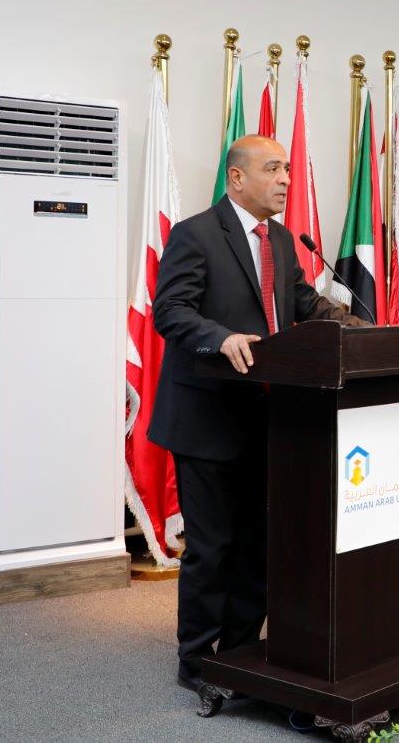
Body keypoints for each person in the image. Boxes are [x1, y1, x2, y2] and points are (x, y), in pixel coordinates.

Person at [149, 135, 366, 714]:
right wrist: (220, 338)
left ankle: (241, 652)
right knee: (212, 547)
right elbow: (170, 310)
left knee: (257, 545)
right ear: (237, 178)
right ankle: (197, 661)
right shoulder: (195, 234)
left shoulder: (282, 240)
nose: (286, 179)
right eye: (273, 169)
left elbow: (302, 304)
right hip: (207, 418)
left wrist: (360, 327)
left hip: (270, 418)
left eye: (288, 169)